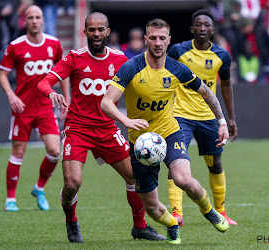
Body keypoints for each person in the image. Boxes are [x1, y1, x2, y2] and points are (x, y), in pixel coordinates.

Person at [37, 12, 166, 243]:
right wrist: (51, 92)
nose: (96, 34)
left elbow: (141, 87)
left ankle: (140, 227)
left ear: (107, 32)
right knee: (71, 184)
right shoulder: (74, 58)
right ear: (84, 32)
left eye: (100, 30)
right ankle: (71, 220)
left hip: (107, 129)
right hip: (78, 129)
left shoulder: (120, 59)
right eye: (91, 30)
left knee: (134, 178)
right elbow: (43, 81)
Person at [101, 18, 230, 245]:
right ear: (145, 40)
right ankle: (171, 224)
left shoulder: (177, 68)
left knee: (182, 179)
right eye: (153, 38)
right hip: (140, 144)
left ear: (169, 40)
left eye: (162, 38)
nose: (158, 43)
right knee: (151, 207)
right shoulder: (131, 67)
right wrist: (126, 120)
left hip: (170, 134)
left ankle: (209, 210)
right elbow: (106, 102)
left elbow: (207, 93)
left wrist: (222, 121)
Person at [167, 9, 238, 226]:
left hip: (208, 117)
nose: (202, 28)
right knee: (176, 163)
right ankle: (176, 212)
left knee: (215, 163)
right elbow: (164, 75)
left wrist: (230, 118)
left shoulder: (221, 56)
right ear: (191, 29)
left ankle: (221, 210)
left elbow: (225, 86)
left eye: (207, 25)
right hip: (180, 116)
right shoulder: (178, 50)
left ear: (213, 30)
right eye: (198, 24)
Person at [0, 5, 70, 212]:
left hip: (46, 107)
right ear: (25, 21)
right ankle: (10, 199)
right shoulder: (15, 46)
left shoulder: (54, 44)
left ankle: (39, 188)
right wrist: (11, 96)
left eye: (38, 17)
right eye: (30, 17)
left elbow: (62, 72)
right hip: (22, 108)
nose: (35, 21)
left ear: (43, 20)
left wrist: (66, 98)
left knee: (55, 151)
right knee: (18, 151)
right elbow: (2, 75)